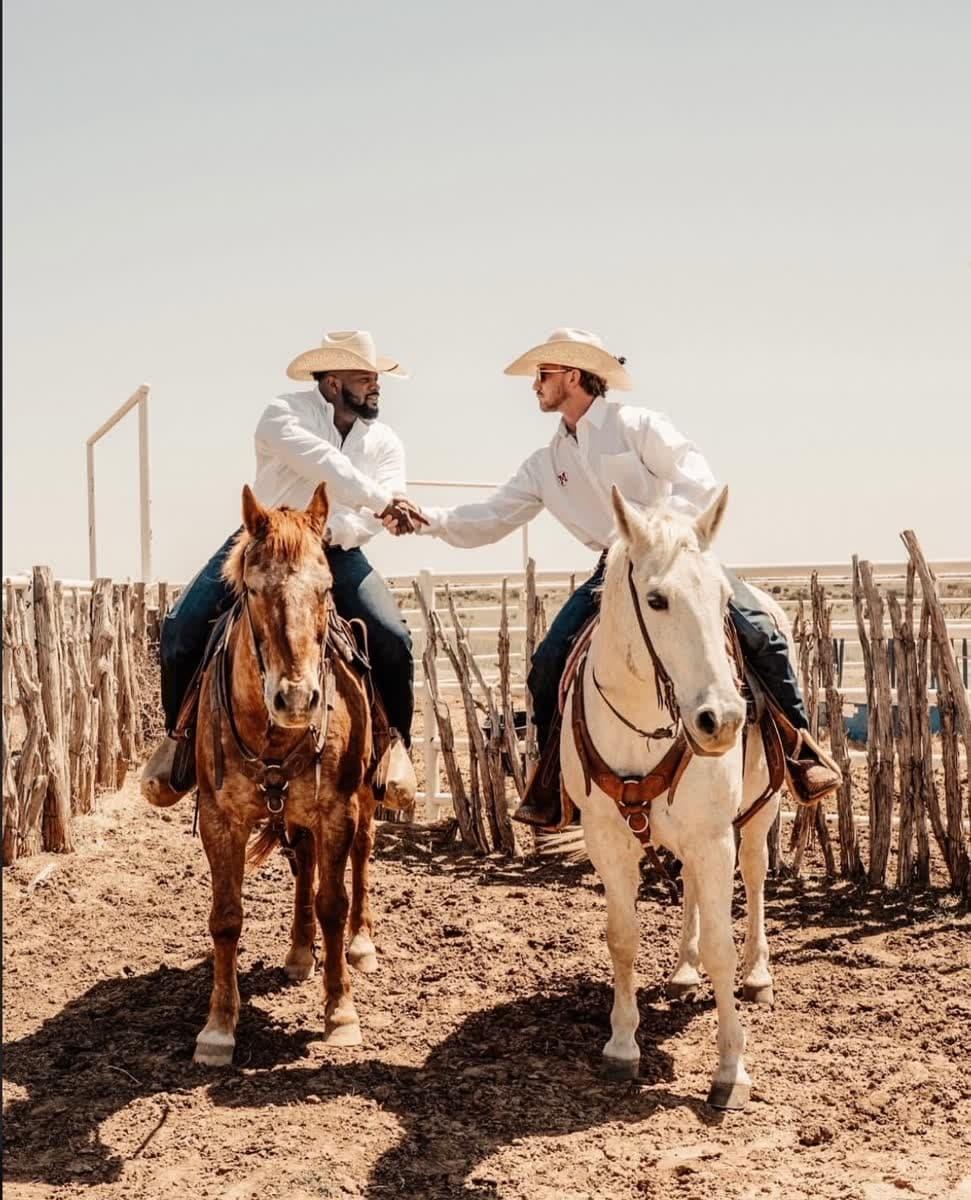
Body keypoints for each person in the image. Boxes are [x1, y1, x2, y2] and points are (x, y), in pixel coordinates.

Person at [389, 328, 841, 827]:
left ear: (575, 376)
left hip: (676, 554)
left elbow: (698, 477)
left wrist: (668, 535)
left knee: (760, 630)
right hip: (615, 566)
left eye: (543, 374)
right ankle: (554, 780)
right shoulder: (547, 462)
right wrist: (427, 519)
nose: (534, 385)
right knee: (547, 665)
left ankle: (801, 750)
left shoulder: (638, 425)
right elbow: (493, 515)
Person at [142, 329, 427, 809]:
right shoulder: (283, 415)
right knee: (180, 628)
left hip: (332, 549)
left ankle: (393, 745)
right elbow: (330, 466)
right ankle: (182, 739)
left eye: (378, 376)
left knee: (391, 637)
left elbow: (377, 505)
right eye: (365, 376)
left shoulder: (385, 441)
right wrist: (385, 504)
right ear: (333, 382)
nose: (376, 385)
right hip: (265, 542)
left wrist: (340, 531)